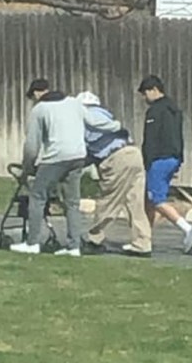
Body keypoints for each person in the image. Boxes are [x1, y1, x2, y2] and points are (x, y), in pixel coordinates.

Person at [10, 79, 86, 256]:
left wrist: (27, 166)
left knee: (37, 197)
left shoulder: (40, 109)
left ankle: (32, 243)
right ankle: (74, 246)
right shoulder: (73, 103)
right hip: (78, 155)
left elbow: (32, 144)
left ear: (37, 93)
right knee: (72, 203)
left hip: (56, 157)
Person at [75, 92, 154, 258]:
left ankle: (94, 239)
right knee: (135, 202)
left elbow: (84, 149)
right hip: (133, 153)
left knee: (108, 200)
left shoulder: (84, 119)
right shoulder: (106, 117)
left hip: (114, 159)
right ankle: (142, 243)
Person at [137, 75, 192, 253]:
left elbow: (150, 140)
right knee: (148, 201)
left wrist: (146, 160)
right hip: (173, 157)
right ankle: (144, 238)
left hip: (159, 158)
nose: (145, 98)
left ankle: (187, 228)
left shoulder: (155, 112)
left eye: (145, 93)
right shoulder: (175, 110)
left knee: (156, 199)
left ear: (154, 90)